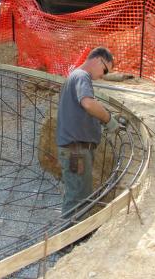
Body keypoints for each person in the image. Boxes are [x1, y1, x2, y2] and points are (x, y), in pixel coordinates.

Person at [56, 46, 120, 218]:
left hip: (75, 150)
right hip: (76, 152)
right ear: (98, 59)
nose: (102, 76)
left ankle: (73, 239)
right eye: (105, 70)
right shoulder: (82, 76)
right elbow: (88, 104)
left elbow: (85, 108)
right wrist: (108, 119)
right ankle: (70, 242)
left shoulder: (76, 77)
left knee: (77, 195)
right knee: (78, 198)